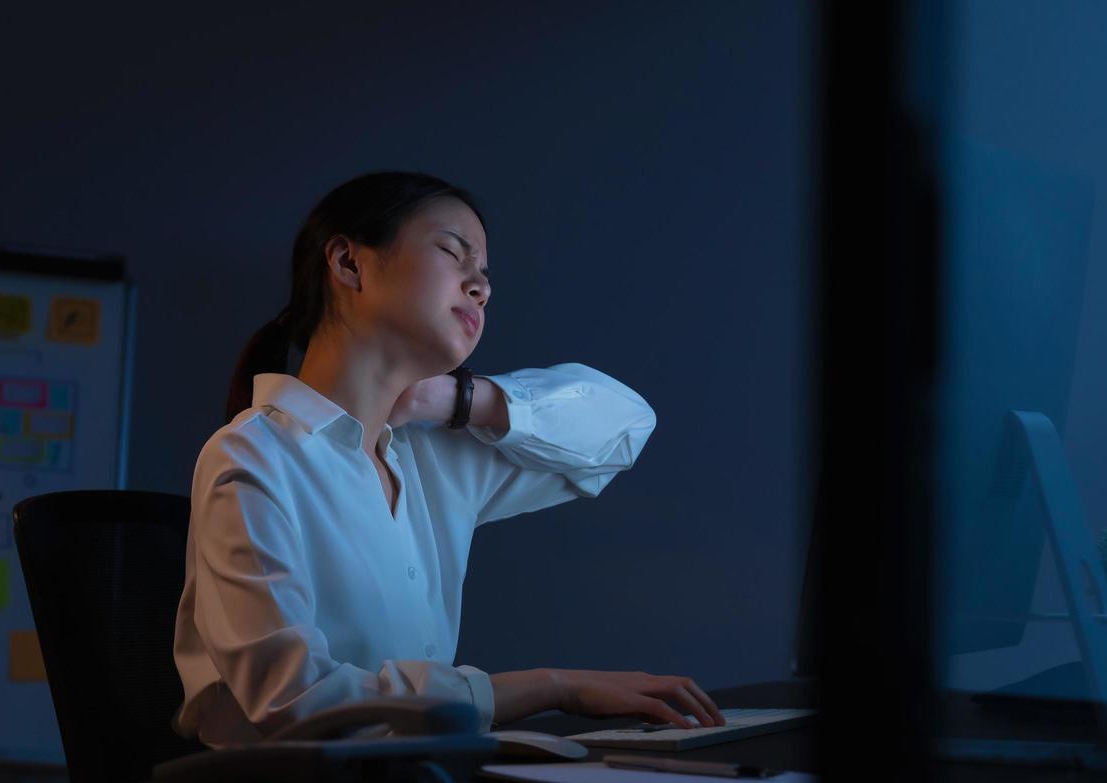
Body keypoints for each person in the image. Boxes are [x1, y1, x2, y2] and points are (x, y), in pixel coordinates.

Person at [171, 171, 725, 747]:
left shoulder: (426, 457)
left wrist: (463, 399)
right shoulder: (255, 456)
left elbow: (624, 426)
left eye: (484, 275)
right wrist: (553, 686)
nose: (480, 287)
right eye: (453, 254)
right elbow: (296, 700)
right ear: (348, 263)